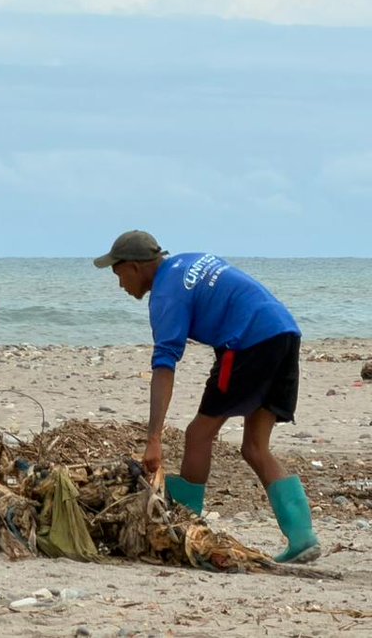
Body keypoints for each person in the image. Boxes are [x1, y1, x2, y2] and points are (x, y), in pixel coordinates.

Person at [94, 229, 320, 564]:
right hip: (283, 332)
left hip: (249, 343)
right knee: (255, 446)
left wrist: (153, 438)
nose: (120, 285)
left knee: (198, 435)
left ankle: (184, 527)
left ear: (135, 266)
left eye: (119, 274)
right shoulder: (187, 261)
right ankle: (303, 538)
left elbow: (164, 364)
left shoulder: (166, 294)